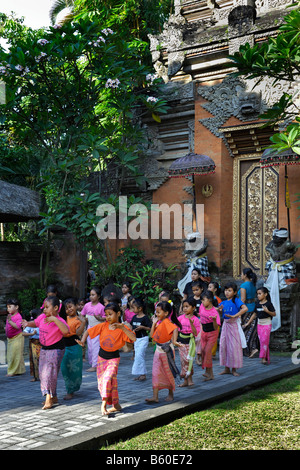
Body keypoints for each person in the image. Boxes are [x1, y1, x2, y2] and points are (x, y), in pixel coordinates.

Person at [76, 302, 136, 416]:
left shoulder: (122, 328)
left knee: (107, 379)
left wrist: (123, 327)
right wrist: (83, 341)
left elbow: (133, 338)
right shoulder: (103, 325)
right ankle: (116, 404)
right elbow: (89, 331)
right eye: (106, 314)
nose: (108, 317)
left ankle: (103, 405)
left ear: (118, 313)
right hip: (101, 358)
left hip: (114, 359)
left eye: (110, 314)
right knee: (106, 382)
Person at [22, 296, 69, 409]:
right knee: (43, 373)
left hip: (56, 349)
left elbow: (66, 331)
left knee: (49, 373)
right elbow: (36, 323)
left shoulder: (60, 320)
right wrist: (27, 323)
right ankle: (54, 396)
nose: (44, 310)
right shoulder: (42, 317)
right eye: (44, 307)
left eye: (47, 307)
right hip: (44, 348)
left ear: (56, 308)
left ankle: (49, 398)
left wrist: (55, 320)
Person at [145, 301, 182, 404]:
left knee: (168, 372)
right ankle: (155, 396)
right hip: (158, 350)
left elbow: (175, 328)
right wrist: (153, 324)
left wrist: (174, 341)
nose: (156, 314)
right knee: (155, 373)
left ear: (166, 313)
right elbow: (152, 335)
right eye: (156, 312)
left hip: (167, 351)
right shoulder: (158, 323)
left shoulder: (167, 322)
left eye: (158, 312)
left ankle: (171, 393)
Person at [218, 282, 248, 377]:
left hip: (234, 325)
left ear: (235, 292)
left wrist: (235, 315)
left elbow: (245, 308)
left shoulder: (237, 301)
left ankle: (234, 368)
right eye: (226, 290)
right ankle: (226, 368)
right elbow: (220, 314)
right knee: (224, 346)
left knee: (234, 347)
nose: (227, 292)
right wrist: (219, 311)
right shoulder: (223, 303)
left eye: (229, 290)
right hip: (225, 326)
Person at [243, 287, 276, 365]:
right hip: (259, 324)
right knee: (262, 341)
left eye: (260, 293)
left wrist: (267, 311)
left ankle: (263, 357)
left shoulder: (269, 304)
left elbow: (274, 314)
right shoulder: (257, 304)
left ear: (265, 294)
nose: (258, 295)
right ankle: (265, 357)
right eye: (257, 294)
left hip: (267, 324)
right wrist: (248, 323)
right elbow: (254, 314)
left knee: (265, 341)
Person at [61, 298, 86, 400]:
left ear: (76, 306)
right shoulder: (62, 319)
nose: (69, 309)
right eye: (66, 308)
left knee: (75, 370)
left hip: (75, 346)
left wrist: (83, 323)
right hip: (64, 346)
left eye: (71, 306)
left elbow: (78, 333)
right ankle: (69, 389)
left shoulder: (78, 319)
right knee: (65, 369)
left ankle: (71, 390)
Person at [80, 286, 106, 372]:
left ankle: (95, 365)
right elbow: (82, 315)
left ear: (98, 296)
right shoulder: (87, 305)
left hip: (97, 329)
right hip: (89, 328)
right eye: (90, 295)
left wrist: (99, 318)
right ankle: (92, 363)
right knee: (90, 346)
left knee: (95, 347)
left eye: (93, 295)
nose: (91, 296)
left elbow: (105, 318)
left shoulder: (101, 307)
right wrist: (82, 321)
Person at [177, 297, 201, 387]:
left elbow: (195, 333)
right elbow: (176, 329)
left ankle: (189, 378)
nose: (185, 308)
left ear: (193, 307)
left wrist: (191, 324)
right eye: (184, 307)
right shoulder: (180, 318)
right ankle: (185, 380)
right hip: (181, 342)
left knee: (189, 359)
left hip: (190, 342)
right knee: (183, 361)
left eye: (187, 306)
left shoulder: (195, 319)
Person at [199, 291, 220, 381]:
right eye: (202, 300)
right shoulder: (201, 306)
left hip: (212, 332)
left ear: (210, 300)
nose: (202, 302)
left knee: (207, 351)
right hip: (204, 331)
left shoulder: (214, 312)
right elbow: (201, 316)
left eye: (204, 300)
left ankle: (210, 374)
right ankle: (209, 373)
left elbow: (216, 327)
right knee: (203, 351)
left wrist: (214, 320)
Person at [238, 268, 259, 358]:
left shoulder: (243, 286)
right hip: (253, 307)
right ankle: (252, 348)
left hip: (245, 309)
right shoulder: (252, 284)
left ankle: (250, 349)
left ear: (245, 275)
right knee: (251, 329)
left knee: (244, 329)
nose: (241, 276)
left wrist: (238, 311)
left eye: (241, 274)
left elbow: (242, 299)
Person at [130, 299, 152, 381]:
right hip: (136, 339)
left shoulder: (145, 318)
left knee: (139, 355)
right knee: (138, 356)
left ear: (140, 308)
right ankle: (140, 374)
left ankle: (143, 374)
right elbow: (131, 327)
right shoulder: (134, 317)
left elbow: (150, 328)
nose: (133, 310)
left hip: (143, 338)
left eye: (134, 308)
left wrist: (143, 327)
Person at [5, 298, 26, 377]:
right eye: (7, 307)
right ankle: (20, 370)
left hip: (17, 338)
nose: (8, 309)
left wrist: (10, 321)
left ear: (16, 307)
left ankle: (12, 371)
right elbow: (8, 325)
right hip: (10, 339)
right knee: (12, 355)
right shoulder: (10, 315)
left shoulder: (18, 316)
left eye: (10, 307)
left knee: (14, 355)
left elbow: (17, 326)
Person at [22, 308, 41, 381]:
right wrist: (32, 334)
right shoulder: (30, 324)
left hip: (42, 343)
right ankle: (35, 376)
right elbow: (23, 333)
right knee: (34, 360)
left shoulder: (43, 323)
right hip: (34, 343)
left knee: (42, 360)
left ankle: (43, 375)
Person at [207, 281, 222, 359]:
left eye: (210, 287)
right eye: (208, 287)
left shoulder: (218, 299)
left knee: (214, 337)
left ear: (215, 289)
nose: (208, 288)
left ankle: (212, 353)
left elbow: (220, 311)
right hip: (207, 320)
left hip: (215, 320)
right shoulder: (206, 298)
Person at [192, 281, 203, 366]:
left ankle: (199, 356)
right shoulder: (191, 300)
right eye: (194, 290)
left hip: (202, 322)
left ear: (201, 289)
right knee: (195, 339)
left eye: (197, 289)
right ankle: (196, 356)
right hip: (194, 321)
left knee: (200, 339)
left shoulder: (203, 299)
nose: (195, 292)